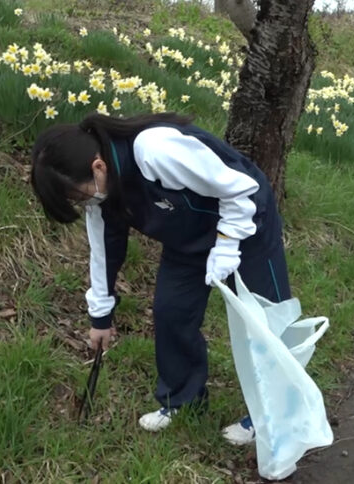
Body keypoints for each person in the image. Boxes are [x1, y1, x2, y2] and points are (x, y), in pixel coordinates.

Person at [30, 112, 292, 445]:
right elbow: (103, 253)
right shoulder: (102, 195)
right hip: (186, 242)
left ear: (98, 167)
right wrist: (100, 316)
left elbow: (240, 189)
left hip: (248, 222)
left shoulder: (154, 150)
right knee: (171, 313)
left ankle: (271, 415)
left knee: (263, 320)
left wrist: (226, 245)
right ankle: (183, 401)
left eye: (78, 196)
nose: (84, 203)